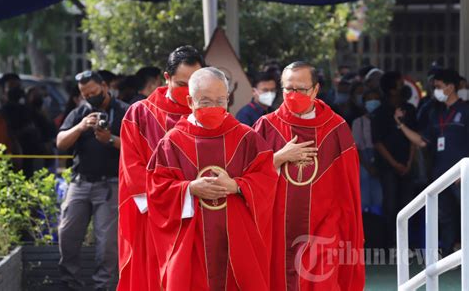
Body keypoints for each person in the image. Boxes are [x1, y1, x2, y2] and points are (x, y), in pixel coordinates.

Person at [146, 67, 278, 290]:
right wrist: (189, 189)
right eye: (205, 101)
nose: (214, 108)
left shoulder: (246, 137)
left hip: (237, 239)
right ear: (190, 101)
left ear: (228, 99)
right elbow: (156, 187)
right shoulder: (173, 141)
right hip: (193, 239)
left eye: (220, 101)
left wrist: (237, 185)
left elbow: (267, 178)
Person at [254, 61, 365, 290]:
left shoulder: (336, 129)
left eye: (301, 89)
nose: (293, 95)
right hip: (278, 229)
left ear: (315, 89)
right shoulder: (267, 126)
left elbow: (348, 187)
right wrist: (278, 158)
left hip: (324, 227)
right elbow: (247, 178)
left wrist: (348, 228)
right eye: (288, 89)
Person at [118, 45, 205, 291]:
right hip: (154, 216)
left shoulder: (208, 113)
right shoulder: (141, 113)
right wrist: (172, 198)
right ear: (166, 78)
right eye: (180, 84)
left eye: (194, 84)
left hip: (201, 211)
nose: (188, 92)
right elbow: (132, 170)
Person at [56, 70, 129, 291]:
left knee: (107, 244)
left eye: (94, 92)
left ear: (105, 86)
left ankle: (103, 287)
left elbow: (137, 147)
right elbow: (60, 142)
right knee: (66, 235)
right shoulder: (80, 113)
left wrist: (110, 140)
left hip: (110, 185)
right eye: (85, 95)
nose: (90, 97)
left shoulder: (124, 111)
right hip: (80, 183)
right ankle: (71, 284)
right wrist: (80, 127)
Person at [394, 68, 469, 256]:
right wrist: (400, 125)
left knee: (466, 216)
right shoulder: (436, 114)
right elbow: (421, 141)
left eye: (438, 86)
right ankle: (448, 256)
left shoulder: (466, 110)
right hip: (440, 176)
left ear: (450, 87)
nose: (435, 90)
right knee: (445, 218)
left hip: (463, 175)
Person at [371, 71, 417, 248]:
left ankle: (407, 245)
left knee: (409, 205)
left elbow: (415, 140)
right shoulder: (379, 113)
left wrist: (409, 163)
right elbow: (378, 143)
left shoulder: (410, 109)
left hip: (407, 165)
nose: (402, 86)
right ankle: (391, 244)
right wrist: (394, 164)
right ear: (391, 90)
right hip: (388, 167)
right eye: (399, 84)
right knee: (390, 205)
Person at [351, 89, 383, 215]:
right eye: (369, 99)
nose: (373, 102)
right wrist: (367, 166)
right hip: (363, 160)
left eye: (375, 98)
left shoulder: (383, 121)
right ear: (364, 103)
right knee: (363, 193)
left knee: (379, 196)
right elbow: (356, 148)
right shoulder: (358, 122)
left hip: (380, 157)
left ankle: (377, 222)